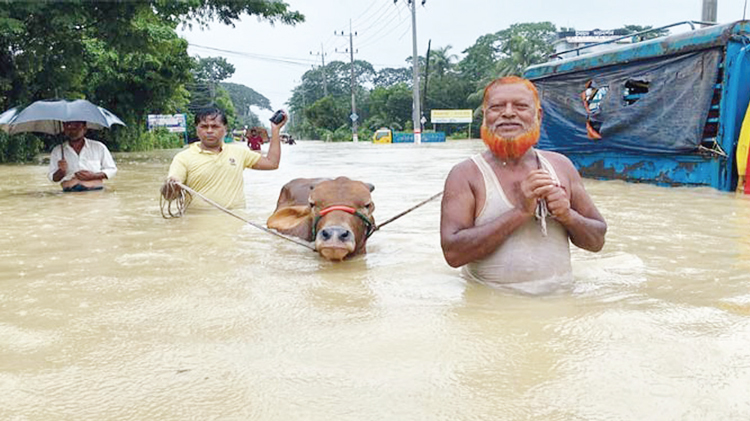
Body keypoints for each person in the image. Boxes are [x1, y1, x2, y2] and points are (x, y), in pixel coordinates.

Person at [440, 76, 607, 294]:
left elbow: (597, 241)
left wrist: (567, 216)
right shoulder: (466, 174)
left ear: (538, 116)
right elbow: (453, 255)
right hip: (492, 308)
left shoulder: (561, 166)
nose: (508, 113)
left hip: (560, 308)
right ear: (485, 116)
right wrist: (520, 211)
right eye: (497, 107)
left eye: (520, 106)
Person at [161, 106, 286, 210]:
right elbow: (169, 195)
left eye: (215, 126)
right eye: (204, 126)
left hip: (235, 224)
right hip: (197, 224)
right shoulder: (183, 158)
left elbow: (272, 163)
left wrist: (275, 130)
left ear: (225, 129)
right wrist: (170, 186)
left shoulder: (239, 153)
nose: (209, 131)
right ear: (197, 130)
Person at [47, 121, 117, 192]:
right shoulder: (57, 151)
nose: (72, 129)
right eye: (68, 126)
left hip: (95, 194)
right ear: (64, 129)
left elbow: (111, 169)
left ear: (85, 128)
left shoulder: (99, 147)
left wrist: (94, 176)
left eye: (76, 125)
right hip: (69, 194)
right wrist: (61, 171)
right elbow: (53, 178)